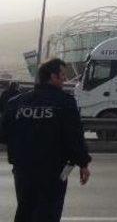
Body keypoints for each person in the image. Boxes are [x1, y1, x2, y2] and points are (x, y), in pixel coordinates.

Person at [0, 58, 91, 222]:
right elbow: (74, 137)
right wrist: (83, 163)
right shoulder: (65, 103)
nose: (65, 79)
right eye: (62, 75)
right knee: (48, 212)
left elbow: (4, 134)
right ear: (52, 76)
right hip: (52, 171)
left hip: (23, 170)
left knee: (25, 210)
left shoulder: (16, 103)